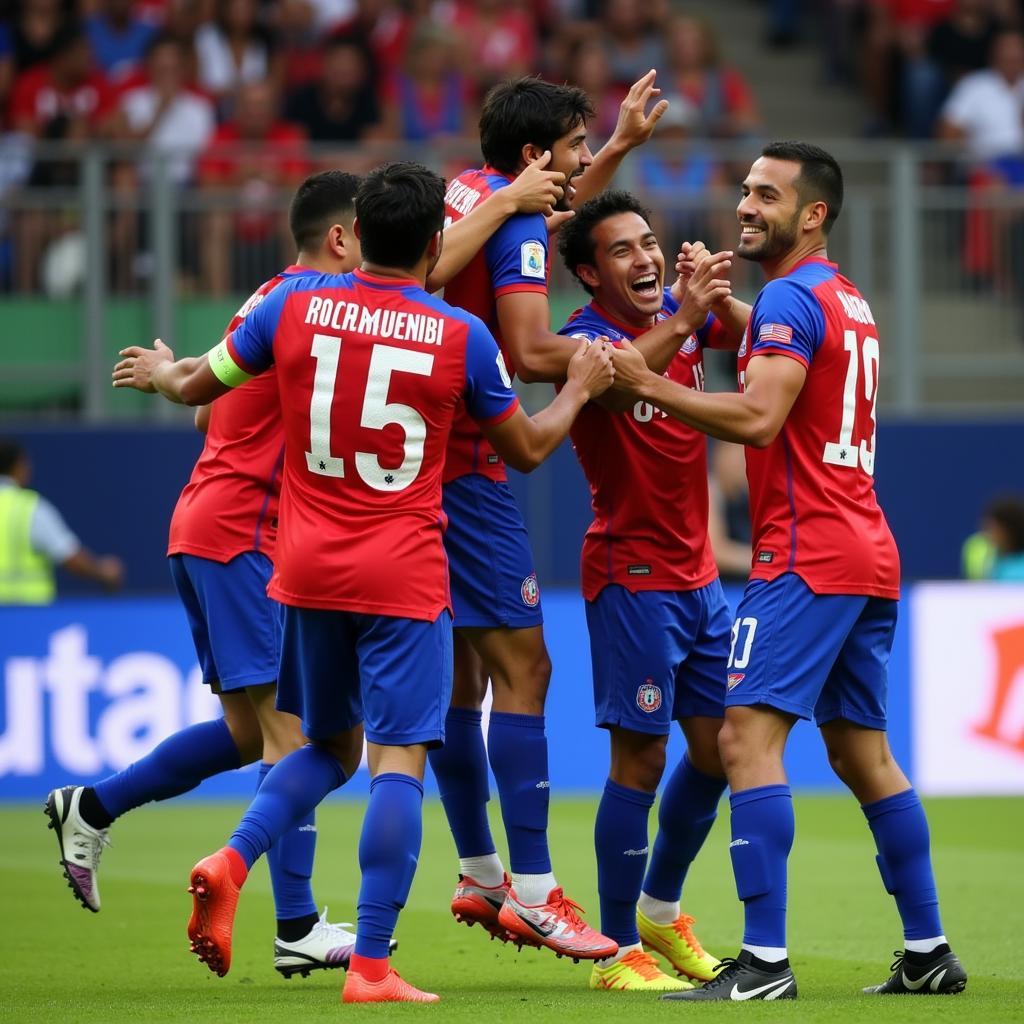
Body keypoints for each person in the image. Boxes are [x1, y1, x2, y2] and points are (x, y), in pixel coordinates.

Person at [47, 158, 563, 979]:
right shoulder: (450, 330)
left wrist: (171, 374)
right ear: (344, 235)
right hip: (328, 550)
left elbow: (201, 404)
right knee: (375, 754)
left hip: (281, 552)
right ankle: (312, 931)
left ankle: (105, 806)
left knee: (280, 738)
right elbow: (526, 442)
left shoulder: (286, 303)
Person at [609, 141, 967, 1000]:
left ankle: (763, 963)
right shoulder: (842, 298)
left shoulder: (786, 299)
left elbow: (761, 416)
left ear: (813, 214)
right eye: (744, 191)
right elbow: (780, 349)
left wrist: (645, 386)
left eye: (766, 196)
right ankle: (928, 951)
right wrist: (718, 304)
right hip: (866, 549)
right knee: (862, 753)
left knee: (744, 740)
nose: (744, 206)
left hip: (804, 553)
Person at [436, 72, 718, 962]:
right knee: (524, 672)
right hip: (470, 461)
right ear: (534, 156)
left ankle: (483, 874)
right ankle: (529, 890)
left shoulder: (475, 195)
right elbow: (526, 351)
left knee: (458, 685)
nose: (581, 164)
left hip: (417, 455)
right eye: (573, 150)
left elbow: (540, 223)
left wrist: (625, 147)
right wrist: (614, 357)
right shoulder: (517, 219)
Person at [555, 191, 747, 992]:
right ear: (588, 272)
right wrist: (687, 312)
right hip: (632, 576)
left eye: (649, 243)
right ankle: (614, 951)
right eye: (623, 251)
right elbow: (628, 377)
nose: (646, 259)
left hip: (700, 577)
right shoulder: (580, 342)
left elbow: (749, 337)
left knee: (720, 749)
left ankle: (660, 915)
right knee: (639, 760)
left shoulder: (685, 309)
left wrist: (720, 297)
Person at [0, 438, 123, 603]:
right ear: (18, 466)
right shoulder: (28, 508)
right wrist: (102, 572)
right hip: (27, 618)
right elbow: (69, 556)